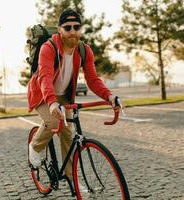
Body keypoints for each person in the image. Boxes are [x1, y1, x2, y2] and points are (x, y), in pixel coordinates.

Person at [27, 8, 118, 181]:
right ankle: (35, 147)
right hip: (41, 93)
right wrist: (52, 103)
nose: (72, 31)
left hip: (63, 96)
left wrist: (110, 96)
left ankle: (71, 178)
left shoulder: (84, 50)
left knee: (68, 132)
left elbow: (93, 79)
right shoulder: (49, 48)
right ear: (60, 29)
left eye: (76, 27)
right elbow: (45, 78)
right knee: (55, 121)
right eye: (67, 27)